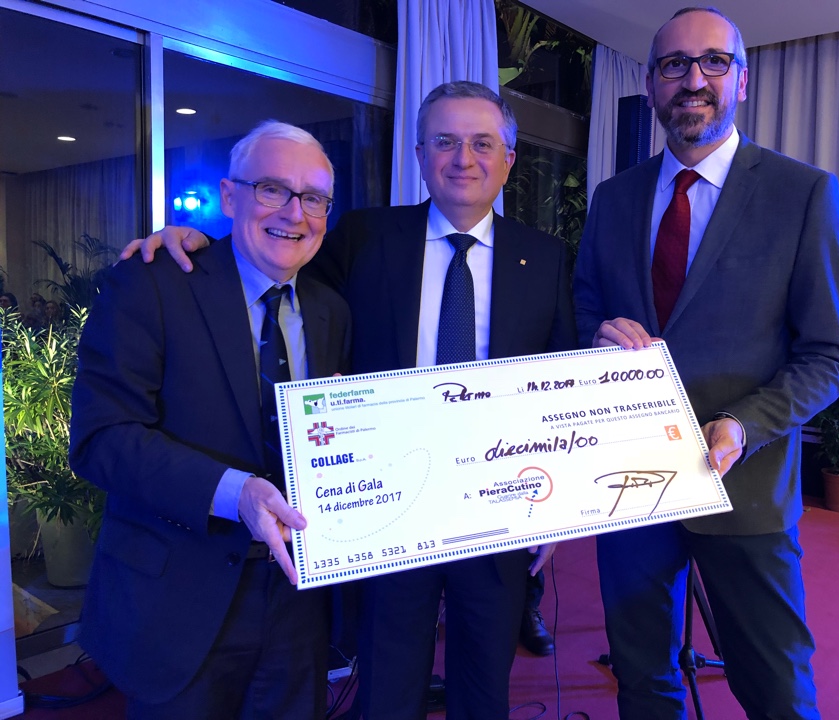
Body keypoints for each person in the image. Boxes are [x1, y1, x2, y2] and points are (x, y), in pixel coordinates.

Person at [121, 81, 576, 720]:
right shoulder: (364, 237)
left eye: (481, 143)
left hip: (496, 507)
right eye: (444, 141)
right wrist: (196, 238)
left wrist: (559, 506)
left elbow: (558, 383)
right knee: (387, 686)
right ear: (419, 154)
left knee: (485, 687)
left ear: (508, 159)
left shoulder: (546, 258)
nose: (462, 158)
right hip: (388, 506)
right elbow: (273, 255)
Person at [573, 7, 839, 719]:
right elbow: (583, 312)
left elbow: (829, 353)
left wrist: (743, 423)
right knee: (643, 682)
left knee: (776, 691)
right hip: (630, 486)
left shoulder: (802, 194)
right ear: (650, 83)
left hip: (745, 485)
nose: (693, 79)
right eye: (674, 64)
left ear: (742, 81)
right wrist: (598, 338)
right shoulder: (613, 198)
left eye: (713, 62)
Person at [69, 121, 351, 718]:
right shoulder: (151, 284)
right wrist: (234, 492)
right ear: (229, 196)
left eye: (314, 198)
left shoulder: (332, 311)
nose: (294, 213)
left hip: (298, 604)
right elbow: (102, 439)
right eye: (272, 189)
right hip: (175, 598)